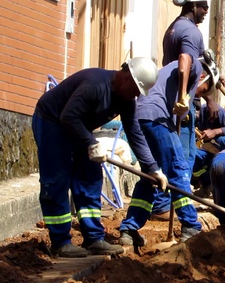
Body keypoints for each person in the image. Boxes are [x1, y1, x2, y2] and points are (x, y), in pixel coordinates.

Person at [32, 57, 163, 258]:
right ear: (127, 77)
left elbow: (134, 132)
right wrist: (91, 143)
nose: (136, 95)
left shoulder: (127, 99)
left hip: (79, 128)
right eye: (136, 90)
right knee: (57, 180)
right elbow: (68, 116)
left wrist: (153, 168)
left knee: (90, 178)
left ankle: (93, 238)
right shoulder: (94, 85)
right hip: (52, 122)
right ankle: (60, 242)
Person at [118, 53, 216, 246]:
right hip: (157, 118)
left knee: (151, 176)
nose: (200, 94)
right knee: (177, 170)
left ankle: (129, 230)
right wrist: (182, 96)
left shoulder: (166, 73)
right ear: (204, 77)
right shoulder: (195, 66)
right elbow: (184, 59)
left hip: (141, 118)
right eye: (203, 91)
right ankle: (190, 226)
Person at [151, 0, 216, 220]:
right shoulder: (191, 32)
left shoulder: (173, 28)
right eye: (204, 6)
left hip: (169, 100)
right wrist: (183, 97)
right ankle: (171, 206)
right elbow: (184, 62)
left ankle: (166, 204)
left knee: (170, 154)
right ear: (192, 4)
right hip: (180, 105)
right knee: (182, 157)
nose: (206, 10)